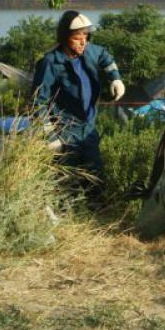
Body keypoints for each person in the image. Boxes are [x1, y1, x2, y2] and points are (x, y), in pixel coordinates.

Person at [32, 11, 125, 196]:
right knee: (66, 184)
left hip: (88, 128)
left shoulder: (90, 50)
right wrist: (50, 137)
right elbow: (37, 102)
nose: (83, 42)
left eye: (86, 36)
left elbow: (105, 57)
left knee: (94, 178)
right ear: (66, 38)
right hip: (65, 132)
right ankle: (66, 221)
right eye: (77, 38)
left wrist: (115, 78)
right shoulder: (50, 63)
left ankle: (95, 215)